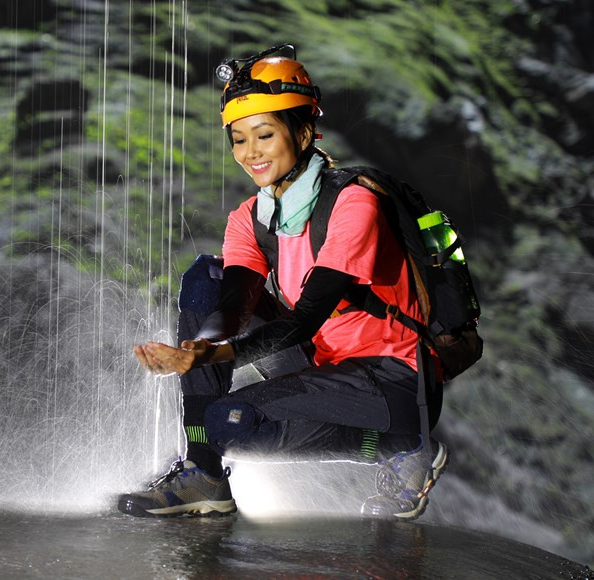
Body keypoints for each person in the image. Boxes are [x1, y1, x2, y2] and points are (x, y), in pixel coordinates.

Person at [117, 44, 448, 520]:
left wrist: (203, 355)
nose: (250, 153)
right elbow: (231, 309)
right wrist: (202, 345)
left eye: (264, 135)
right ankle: (204, 474)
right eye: (238, 139)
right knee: (205, 277)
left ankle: (401, 445)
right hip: (320, 360)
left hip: (390, 377)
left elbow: (307, 318)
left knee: (226, 420)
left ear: (305, 131)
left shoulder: (354, 204)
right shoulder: (250, 219)